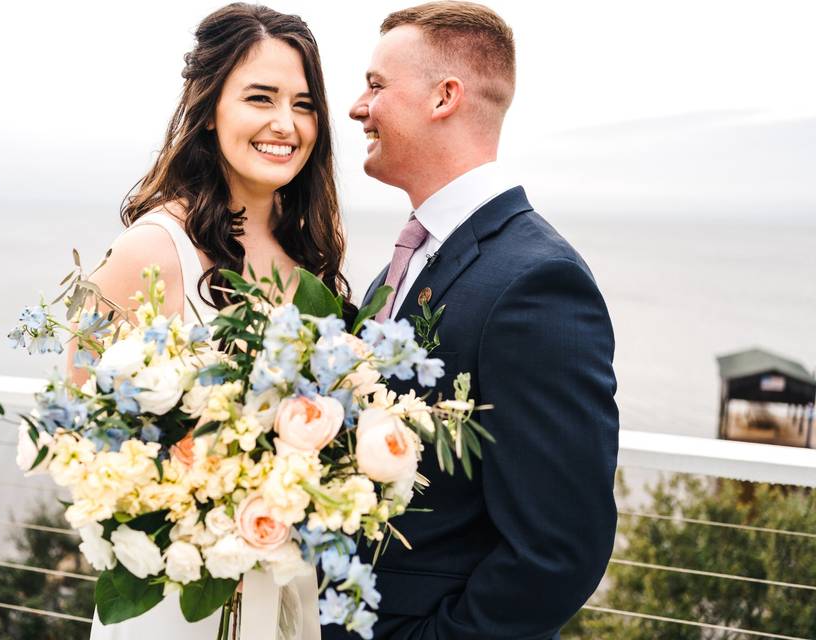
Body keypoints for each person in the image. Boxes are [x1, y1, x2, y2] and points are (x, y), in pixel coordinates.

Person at [326, 2, 620, 639]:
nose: (356, 107)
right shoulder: (408, 260)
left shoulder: (537, 283)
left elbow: (559, 550)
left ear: (444, 97)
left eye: (376, 85)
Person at [81, 3, 351, 639]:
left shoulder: (311, 257)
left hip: (284, 589)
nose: (286, 124)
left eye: (304, 104)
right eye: (261, 97)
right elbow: (86, 445)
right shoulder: (150, 250)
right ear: (209, 110)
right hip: (179, 602)